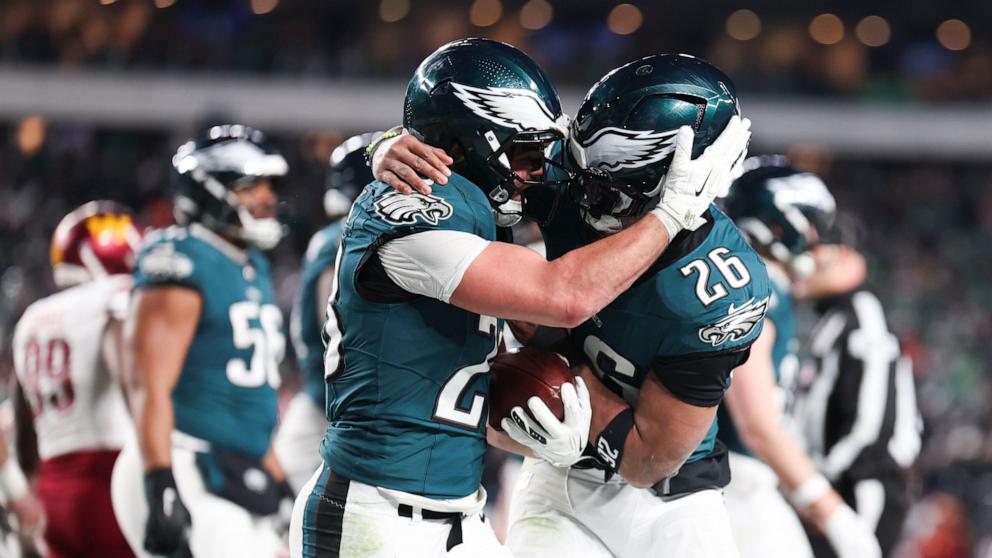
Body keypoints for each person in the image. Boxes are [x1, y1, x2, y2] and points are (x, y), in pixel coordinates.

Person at [290, 40, 750, 558]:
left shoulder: (472, 199)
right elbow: (564, 296)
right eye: (525, 152)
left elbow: (459, 382)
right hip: (377, 512)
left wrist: (556, 433)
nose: (540, 172)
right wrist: (671, 213)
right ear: (463, 145)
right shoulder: (418, 203)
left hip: (453, 512)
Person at [111, 124, 289, 558]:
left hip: (233, 468)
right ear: (210, 191)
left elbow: (246, 398)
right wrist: (161, 483)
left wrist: (282, 484)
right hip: (182, 461)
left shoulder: (251, 266)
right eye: (252, 187)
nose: (267, 198)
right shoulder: (181, 257)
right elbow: (147, 384)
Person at [718, 157, 882, 558]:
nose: (816, 239)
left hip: (738, 481)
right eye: (810, 223)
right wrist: (828, 508)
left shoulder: (763, 284)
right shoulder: (756, 290)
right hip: (731, 483)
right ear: (778, 222)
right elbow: (756, 423)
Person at [11, 200, 139, 558]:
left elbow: (24, 426)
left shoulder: (32, 318)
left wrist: (31, 486)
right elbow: (135, 384)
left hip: (51, 487)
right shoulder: (115, 298)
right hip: (109, 479)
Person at [792, 213, 922, 558]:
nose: (803, 260)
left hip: (858, 489)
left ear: (848, 257)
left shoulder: (861, 317)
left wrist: (814, 485)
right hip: (840, 488)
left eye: (817, 248)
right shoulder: (836, 319)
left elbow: (870, 428)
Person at [275, 132, 380, 494]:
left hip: (321, 408)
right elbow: (338, 328)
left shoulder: (335, 235)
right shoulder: (347, 236)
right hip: (330, 416)